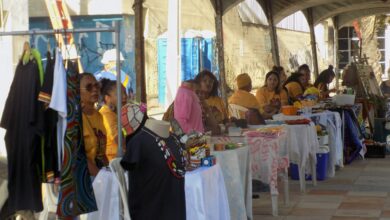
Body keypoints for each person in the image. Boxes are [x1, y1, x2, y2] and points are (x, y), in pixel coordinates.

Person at [80, 73, 108, 177]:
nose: (95, 90)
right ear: (78, 91)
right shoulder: (76, 120)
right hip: (85, 177)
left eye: (96, 85)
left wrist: (110, 172)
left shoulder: (99, 116)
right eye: (89, 87)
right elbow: (81, 157)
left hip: (100, 175)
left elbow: (101, 152)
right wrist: (102, 177)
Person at [99, 79, 128, 161]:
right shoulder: (107, 114)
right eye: (119, 94)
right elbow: (120, 141)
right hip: (113, 161)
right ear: (107, 98)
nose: (124, 96)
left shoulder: (114, 113)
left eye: (125, 93)